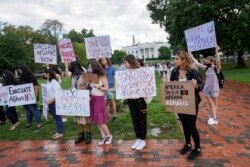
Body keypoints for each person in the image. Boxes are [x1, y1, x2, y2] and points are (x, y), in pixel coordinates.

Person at [170, 51, 203, 160]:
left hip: (191, 102)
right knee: (184, 124)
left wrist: (196, 85)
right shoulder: (174, 71)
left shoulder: (193, 71)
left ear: (183, 60)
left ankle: (197, 149)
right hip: (180, 102)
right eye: (175, 59)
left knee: (191, 126)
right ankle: (188, 144)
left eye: (177, 59)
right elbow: (172, 85)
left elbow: (201, 86)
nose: (175, 61)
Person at [189, 46, 221, 125]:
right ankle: (214, 118)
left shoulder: (216, 68)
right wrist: (191, 55)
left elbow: (218, 62)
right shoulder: (207, 68)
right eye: (205, 60)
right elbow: (197, 63)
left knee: (214, 104)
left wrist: (216, 52)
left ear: (211, 61)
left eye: (207, 60)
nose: (205, 61)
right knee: (211, 104)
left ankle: (213, 117)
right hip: (207, 89)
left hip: (215, 88)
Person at [123, 54, 147, 150]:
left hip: (140, 100)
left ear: (130, 62)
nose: (124, 64)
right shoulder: (125, 73)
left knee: (142, 120)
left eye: (125, 62)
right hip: (131, 100)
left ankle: (143, 139)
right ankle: (138, 138)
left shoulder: (140, 71)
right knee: (134, 119)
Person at [65, 61, 92, 144]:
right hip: (75, 99)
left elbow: (90, 85)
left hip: (83, 99)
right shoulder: (72, 75)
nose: (69, 68)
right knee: (77, 118)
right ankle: (81, 134)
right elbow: (67, 74)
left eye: (70, 66)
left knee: (85, 118)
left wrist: (88, 94)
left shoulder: (84, 75)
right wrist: (66, 66)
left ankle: (88, 134)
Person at [89, 60, 112, 146]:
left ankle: (109, 135)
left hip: (99, 98)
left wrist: (98, 86)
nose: (89, 68)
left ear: (94, 67)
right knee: (97, 119)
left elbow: (106, 88)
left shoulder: (102, 76)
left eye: (90, 66)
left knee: (101, 120)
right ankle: (103, 136)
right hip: (93, 98)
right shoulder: (92, 76)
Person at [44, 69, 64, 139]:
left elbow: (59, 92)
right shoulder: (49, 82)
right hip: (50, 103)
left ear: (48, 74)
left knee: (58, 118)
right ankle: (58, 131)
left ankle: (60, 132)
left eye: (45, 73)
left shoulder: (54, 82)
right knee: (55, 118)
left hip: (55, 102)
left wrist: (52, 100)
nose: (44, 75)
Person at [99, 58, 117, 122]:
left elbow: (115, 78)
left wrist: (115, 87)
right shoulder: (101, 69)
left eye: (104, 60)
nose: (103, 61)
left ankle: (114, 116)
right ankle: (107, 116)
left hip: (111, 87)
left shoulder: (112, 68)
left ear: (107, 60)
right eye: (101, 60)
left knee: (112, 102)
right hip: (104, 88)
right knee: (106, 103)